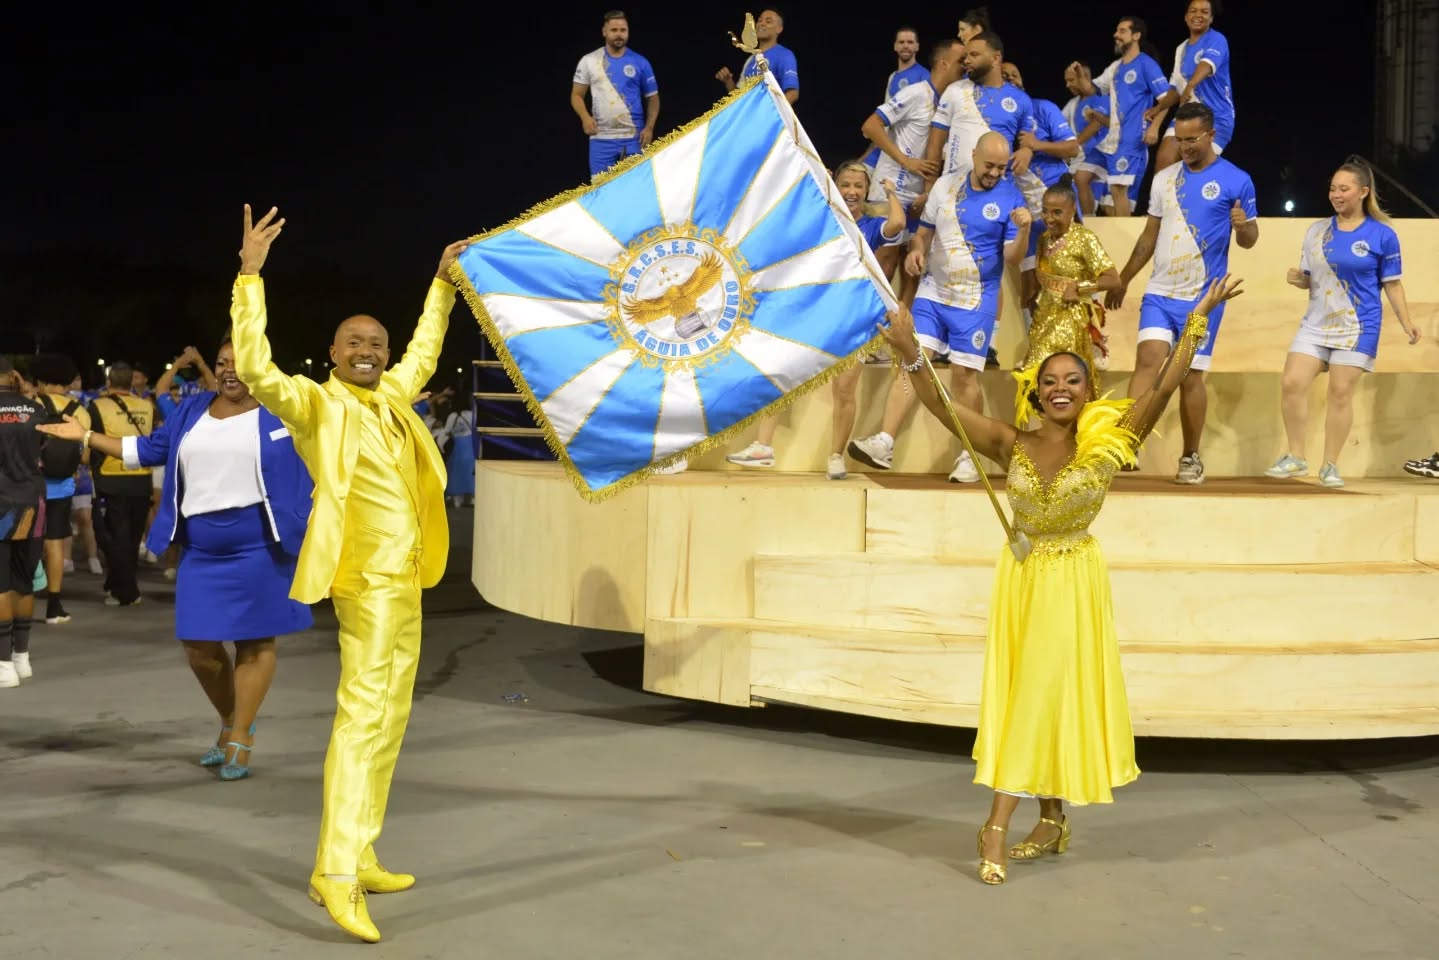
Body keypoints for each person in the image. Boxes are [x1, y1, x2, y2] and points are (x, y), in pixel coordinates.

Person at [880, 273, 1245, 885]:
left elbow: (1163, 384)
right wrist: (911, 349)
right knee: (1033, 689)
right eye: (1049, 381)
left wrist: (1197, 320)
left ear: (1087, 389)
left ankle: (994, 823)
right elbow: (942, 407)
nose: (1059, 389)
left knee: (1043, 689)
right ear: (1034, 389)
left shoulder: (1112, 439)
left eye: (1072, 380)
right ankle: (1050, 818)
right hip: (1024, 579)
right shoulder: (1009, 441)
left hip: (1074, 579)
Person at [230, 204, 471, 943]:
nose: (368, 351)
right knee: (362, 719)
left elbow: (425, 353)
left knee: (390, 721)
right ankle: (333, 872)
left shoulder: (394, 399)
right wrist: (249, 277)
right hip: (363, 584)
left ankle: (360, 849)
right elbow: (253, 368)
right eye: (355, 342)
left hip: (408, 582)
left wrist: (442, 285)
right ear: (332, 352)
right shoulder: (314, 405)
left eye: (376, 342)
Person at [40, 337, 315, 778]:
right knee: (199, 646)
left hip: (261, 546)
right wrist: (86, 435)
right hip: (202, 551)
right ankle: (231, 720)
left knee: (255, 642)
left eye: (241, 364)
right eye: (223, 362)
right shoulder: (191, 410)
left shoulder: (286, 410)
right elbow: (146, 451)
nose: (229, 371)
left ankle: (240, 735)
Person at [849, 132, 1032, 483]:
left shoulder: (1011, 197)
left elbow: (1012, 258)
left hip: (975, 298)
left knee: (964, 376)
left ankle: (969, 454)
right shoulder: (946, 185)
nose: (995, 172)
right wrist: (917, 250)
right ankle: (885, 442)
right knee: (912, 361)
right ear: (974, 155)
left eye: (1001, 167)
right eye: (989, 165)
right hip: (934, 292)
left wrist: (1023, 231)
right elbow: (924, 233)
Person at [1107, 102, 1258, 484]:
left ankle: (1190, 457)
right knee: (1148, 360)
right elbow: (1149, 237)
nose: (1184, 146)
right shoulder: (1164, 179)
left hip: (1203, 298)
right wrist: (1124, 279)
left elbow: (1250, 240)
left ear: (1210, 136)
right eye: (1179, 138)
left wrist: (1242, 227)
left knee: (1189, 377)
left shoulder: (1236, 179)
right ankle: (1127, 443)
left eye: (1192, 139)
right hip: (1160, 291)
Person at [725, 161, 907, 477]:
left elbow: (898, 222)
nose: (851, 191)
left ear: (866, 191)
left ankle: (836, 458)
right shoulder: (822, 221)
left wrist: (889, 191)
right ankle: (763, 447)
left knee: (845, 391)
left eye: (858, 186)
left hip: (854, 319)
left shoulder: (869, 228)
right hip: (817, 311)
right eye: (845, 185)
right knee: (780, 371)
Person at [1266, 160, 1419, 488]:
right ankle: (1295, 456)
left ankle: (1330, 465)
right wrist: (1298, 280)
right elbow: (1310, 279)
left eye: (1344, 189)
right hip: (1316, 324)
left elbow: (1392, 284)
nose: (1336, 194)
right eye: (1333, 188)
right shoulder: (1317, 231)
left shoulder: (1383, 235)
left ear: (1363, 192)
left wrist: (1407, 323)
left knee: (1340, 392)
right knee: (1292, 382)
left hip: (1359, 326)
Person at [860, 37, 964, 300]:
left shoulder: (949, 104)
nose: (965, 67)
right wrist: (906, 162)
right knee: (885, 264)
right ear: (944, 63)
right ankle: (869, 332)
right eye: (960, 62)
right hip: (890, 190)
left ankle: (902, 333)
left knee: (913, 270)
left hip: (919, 199)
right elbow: (870, 126)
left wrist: (928, 192)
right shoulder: (916, 93)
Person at [1018, 177, 1121, 384]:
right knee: (1034, 382)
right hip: (1044, 317)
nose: (1049, 218)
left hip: (1073, 317)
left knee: (1061, 375)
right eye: (1045, 211)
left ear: (1073, 209)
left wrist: (1078, 286)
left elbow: (1113, 280)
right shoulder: (1044, 238)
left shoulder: (1085, 239)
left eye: (1057, 212)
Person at [1067, 18, 1170, 217]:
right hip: (1110, 141)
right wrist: (1080, 75)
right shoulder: (1115, 67)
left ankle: (1125, 245)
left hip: (1131, 139)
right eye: (1116, 30)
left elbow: (1166, 99)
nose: (1116, 35)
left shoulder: (1146, 65)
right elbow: (1092, 89)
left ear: (1136, 35)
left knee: (1117, 191)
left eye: (1122, 31)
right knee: (1081, 177)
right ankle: (1090, 227)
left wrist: (1154, 127)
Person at [86, 362, 156, 606]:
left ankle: (126, 590)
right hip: (141, 477)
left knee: (112, 536)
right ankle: (117, 584)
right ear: (131, 383)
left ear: (109, 382)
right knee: (133, 537)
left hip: (110, 477)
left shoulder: (97, 406)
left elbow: (90, 441)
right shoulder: (147, 406)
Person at [29, 354, 89, 625]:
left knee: (26, 541)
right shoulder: (81, 411)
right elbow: (85, 456)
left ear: (40, 379)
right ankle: (54, 606)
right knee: (55, 543)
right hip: (62, 487)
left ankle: (21, 598)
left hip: (31, 485)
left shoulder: (33, 404)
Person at [570, 10, 660, 178]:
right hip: (600, 138)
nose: (619, 34)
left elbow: (653, 98)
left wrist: (649, 127)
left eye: (623, 30)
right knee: (601, 192)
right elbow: (576, 95)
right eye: (614, 30)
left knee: (636, 188)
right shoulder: (589, 61)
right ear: (604, 31)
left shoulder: (640, 62)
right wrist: (585, 118)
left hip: (634, 138)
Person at [0, 357, 45, 689]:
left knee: (0, 585)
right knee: (23, 580)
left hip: (1, 503)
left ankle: (2, 664)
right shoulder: (35, 409)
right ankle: (22, 657)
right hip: (34, 500)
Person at [1150, 0, 1234, 173]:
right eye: (1193, 11)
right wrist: (1158, 108)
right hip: (1188, 114)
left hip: (1216, 117)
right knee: (1164, 163)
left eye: (1204, 12)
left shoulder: (1217, 40)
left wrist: (1191, 84)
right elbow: (1175, 89)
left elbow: (1206, 65)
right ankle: (1167, 201)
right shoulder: (1181, 49)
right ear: (1186, 17)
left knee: (1196, 171)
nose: (1198, 15)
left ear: (1211, 18)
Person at [862, 26, 929, 174]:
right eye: (902, 42)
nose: (906, 45)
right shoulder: (892, 77)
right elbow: (883, 122)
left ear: (917, 46)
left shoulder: (924, 77)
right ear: (895, 46)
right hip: (884, 148)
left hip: (907, 153)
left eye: (910, 42)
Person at [716, 8, 799, 105]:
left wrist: (768, 117)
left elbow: (793, 93)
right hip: (748, 118)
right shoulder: (750, 60)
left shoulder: (784, 55)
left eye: (768, 21)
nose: (762, 23)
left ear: (779, 29)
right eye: (759, 20)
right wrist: (728, 81)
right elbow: (739, 99)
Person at [1062, 63, 1111, 216]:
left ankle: (1088, 227)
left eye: (1071, 80)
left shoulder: (1102, 98)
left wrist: (1072, 146)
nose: (1067, 85)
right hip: (1078, 160)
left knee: (1102, 207)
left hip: (1099, 158)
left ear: (1086, 78)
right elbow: (1058, 124)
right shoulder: (1073, 104)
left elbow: (1095, 126)